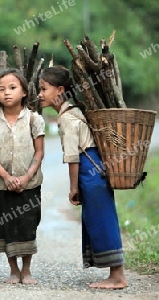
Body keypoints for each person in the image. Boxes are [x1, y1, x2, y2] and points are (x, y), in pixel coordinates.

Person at [38, 65, 127, 289]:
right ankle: (115, 273)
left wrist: (73, 187)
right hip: (97, 168)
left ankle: (117, 276)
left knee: (101, 219)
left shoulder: (68, 118)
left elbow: (73, 157)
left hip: (89, 170)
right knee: (100, 217)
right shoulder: (75, 110)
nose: (39, 94)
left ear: (59, 90)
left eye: (43, 89)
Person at [0, 68, 45, 284]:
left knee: (28, 224)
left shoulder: (34, 120)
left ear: (25, 92)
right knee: (5, 225)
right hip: (2, 185)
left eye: (12, 87)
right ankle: (13, 270)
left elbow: (39, 152)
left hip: (30, 185)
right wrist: (6, 177)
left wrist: (26, 177)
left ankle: (26, 270)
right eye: (2, 89)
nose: (7, 92)